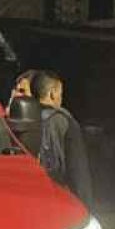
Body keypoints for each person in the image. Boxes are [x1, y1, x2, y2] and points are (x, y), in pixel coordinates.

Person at [32, 70, 93, 207]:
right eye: (60, 93)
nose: (60, 98)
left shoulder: (25, 117)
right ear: (52, 93)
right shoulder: (61, 120)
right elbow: (77, 169)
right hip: (61, 200)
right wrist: (84, 206)